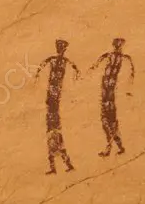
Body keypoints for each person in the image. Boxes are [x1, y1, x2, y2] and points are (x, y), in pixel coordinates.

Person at [37, 39, 80, 174]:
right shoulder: (57, 60)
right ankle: (58, 167)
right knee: (54, 139)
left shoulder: (60, 61)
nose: (59, 49)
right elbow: (42, 66)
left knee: (54, 139)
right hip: (53, 104)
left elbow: (75, 69)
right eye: (58, 47)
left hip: (53, 106)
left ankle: (61, 166)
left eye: (60, 47)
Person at [90, 38, 134, 157]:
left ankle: (110, 148)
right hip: (109, 96)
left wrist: (94, 66)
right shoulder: (125, 59)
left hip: (107, 96)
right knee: (112, 123)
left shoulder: (113, 57)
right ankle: (119, 147)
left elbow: (99, 61)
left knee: (107, 122)